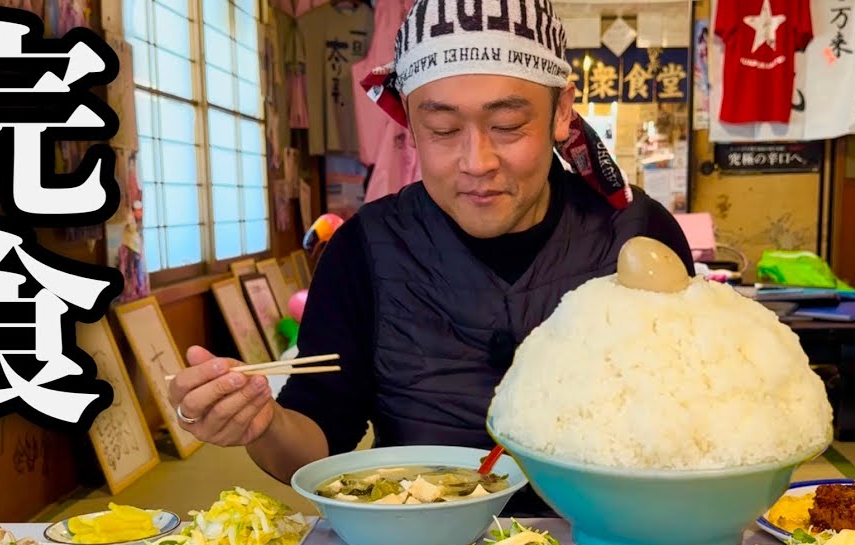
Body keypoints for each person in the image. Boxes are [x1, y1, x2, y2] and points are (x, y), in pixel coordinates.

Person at [167, 0, 694, 516]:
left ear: (561, 111)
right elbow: (318, 441)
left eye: (508, 125)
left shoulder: (638, 236)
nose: (476, 162)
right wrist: (261, 423)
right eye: (442, 130)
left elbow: (692, 421)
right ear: (410, 124)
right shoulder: (364, 249)